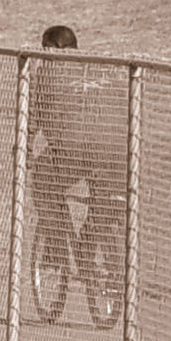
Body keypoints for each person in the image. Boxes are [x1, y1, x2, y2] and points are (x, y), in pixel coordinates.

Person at [29, 26, 124, 258]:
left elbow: (33, 119)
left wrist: (22, 149)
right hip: (117, 150)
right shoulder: (97, 69)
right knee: (104, 201)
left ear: (51, 49)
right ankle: (92, 245)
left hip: (72, 152)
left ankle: (58, 246)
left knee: (41, 179)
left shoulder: (47, 72)